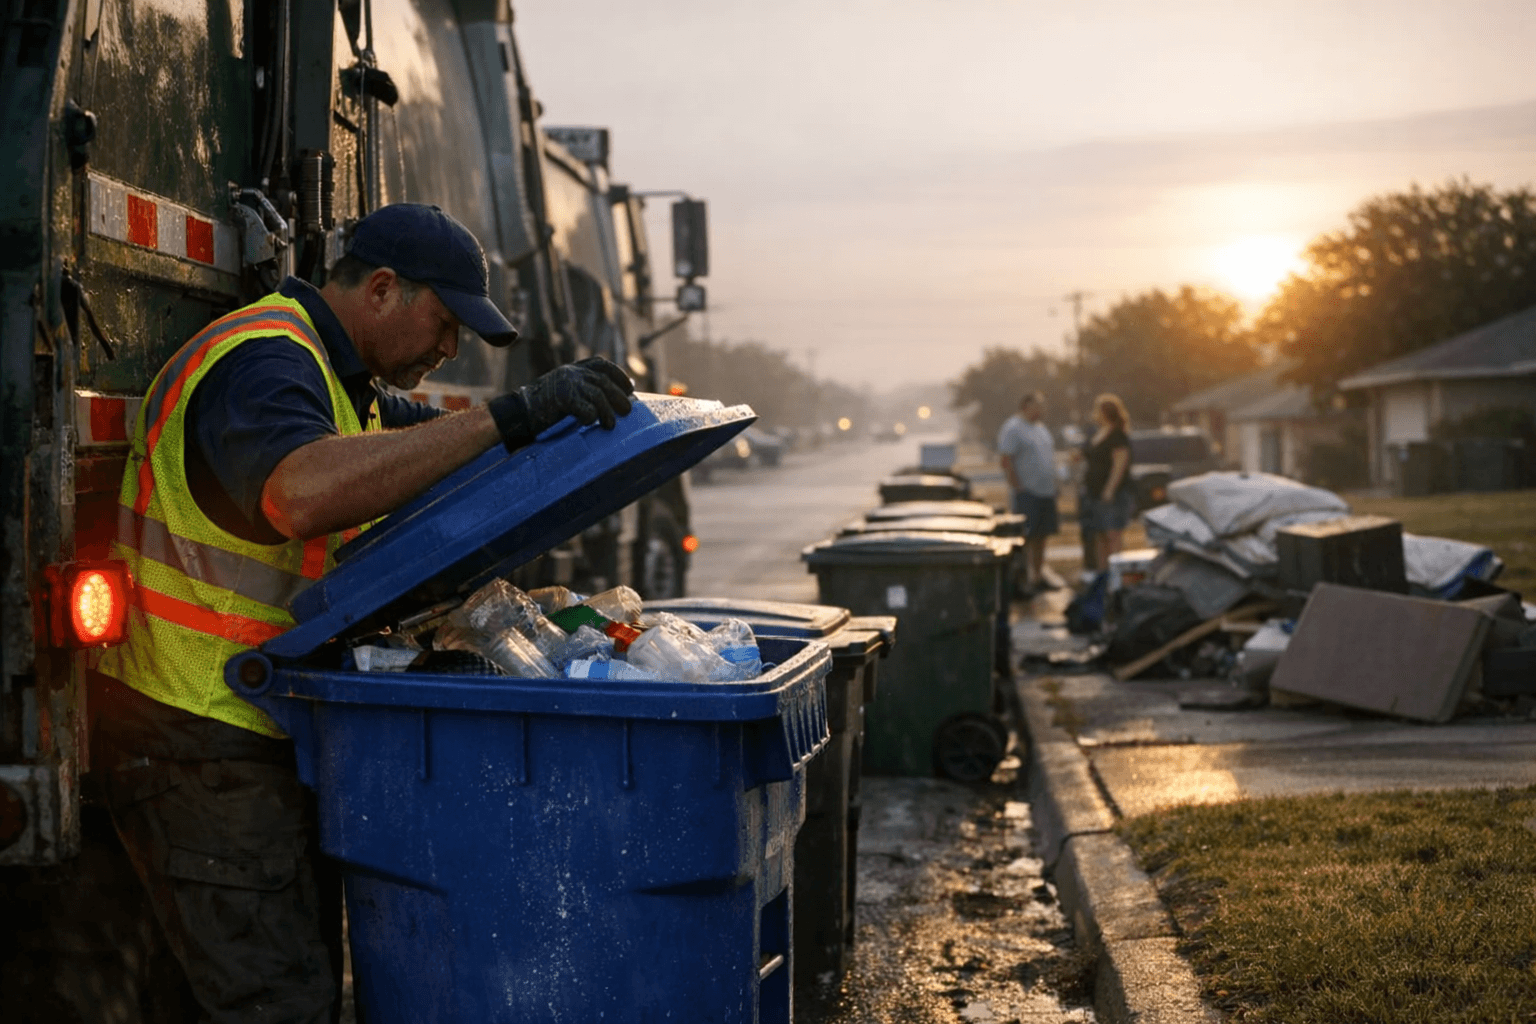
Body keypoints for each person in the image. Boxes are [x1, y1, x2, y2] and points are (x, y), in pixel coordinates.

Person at [89, 203, 635, 1023]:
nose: (449, 350)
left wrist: (531, 422)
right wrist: (506, 417)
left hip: (248, 726)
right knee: (280, 1002)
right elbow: (299, 492)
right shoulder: (267, 359)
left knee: (224, 994)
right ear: (383, 289)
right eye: (445, 324)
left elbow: (434, 450)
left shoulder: (348, 386)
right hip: (196, 731)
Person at [997, 391, 1059, 592]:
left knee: (1042, 536)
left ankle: (1038, 577)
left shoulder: (1040, 428)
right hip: (1027, 492)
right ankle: (1023, 579)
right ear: (1026, 406)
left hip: (1046, 492)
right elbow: (1006, 460)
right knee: (1027, 537)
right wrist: (1018, 486)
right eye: (1038, 406)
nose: (1042, 409)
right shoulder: (1013, 428)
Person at [1081, 393, 1134, 570]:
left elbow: (1119, 465)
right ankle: (1102, 574)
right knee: (1099, 534)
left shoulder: (1118, 435)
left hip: (1112, 494)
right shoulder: (1098, 434)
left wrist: (1110, 489)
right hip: (1094, 492)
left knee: (1112, 533)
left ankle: (1116, 574)